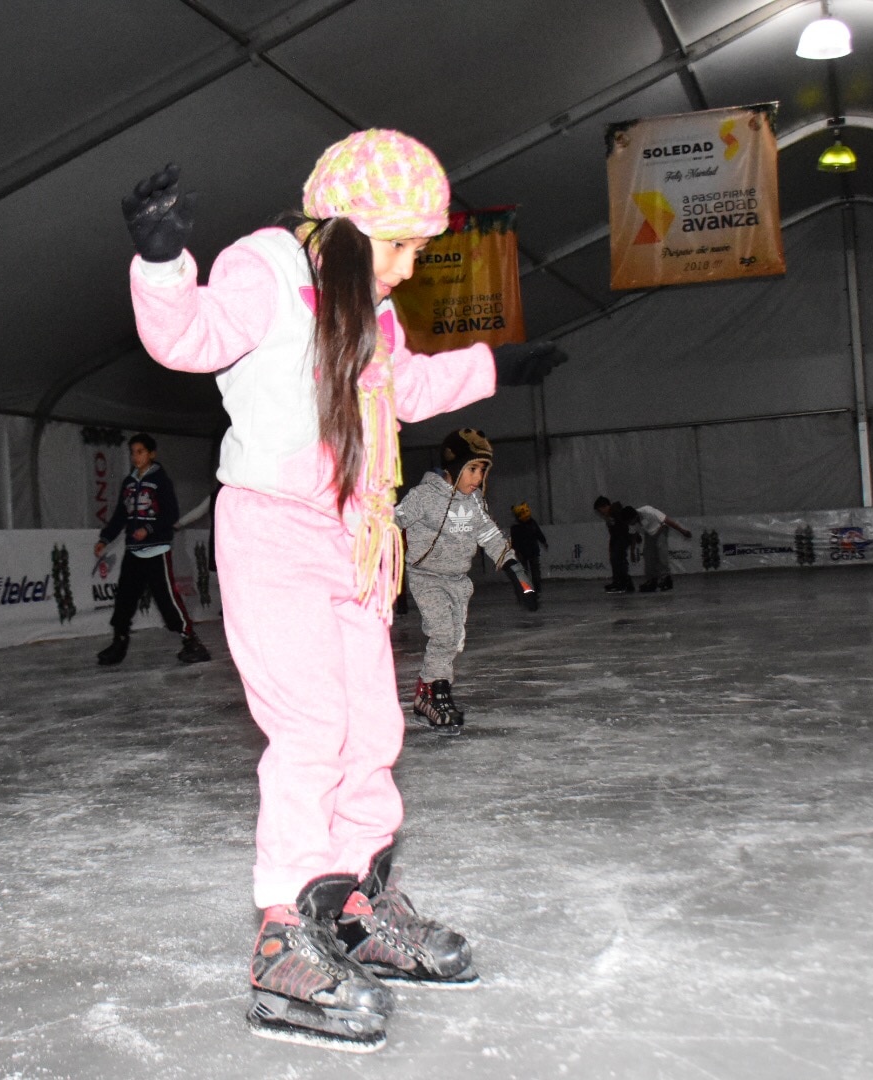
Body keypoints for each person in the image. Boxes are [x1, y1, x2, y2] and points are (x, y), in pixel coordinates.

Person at [122, 130, 565, 1052]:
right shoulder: (269, 268)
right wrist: (162, 262)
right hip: (275, 531)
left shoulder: (368, 308)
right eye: (404, 245)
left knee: (373, 728)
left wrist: (494, 365)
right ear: (357, 228)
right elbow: (190, 336)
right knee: (312, 729)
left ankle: (355, 904)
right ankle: (283, 935)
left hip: (356, 535)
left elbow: (395, 389)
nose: (411, 267)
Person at [397, 429, 534, 735]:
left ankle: (425, 692)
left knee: (453, 641)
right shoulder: (423, 497)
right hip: (427, 576)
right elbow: (394, 519)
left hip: (459, 582)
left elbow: (489, 535)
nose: (477, 476)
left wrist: (517, 573)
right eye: (472, 468)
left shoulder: (474, 502)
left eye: (482, 469)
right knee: (443, 634)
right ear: (453, 465)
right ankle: (438, 693)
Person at [93, 433, 212, 665]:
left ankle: (191, 641)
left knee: (166, 599)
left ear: (151, 454)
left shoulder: (160, 481)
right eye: (132, 452)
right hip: (133, 551)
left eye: (140, 452)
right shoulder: (129, 483)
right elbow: (120, 515)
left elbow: (170, 515)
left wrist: (148, 528)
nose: (135, 457)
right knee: (125, 599)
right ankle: (119, 641)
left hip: (156, 550)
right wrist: (105, 539)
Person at [634, 503, 693, 591]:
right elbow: (637, 530)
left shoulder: (648, 511)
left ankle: (666, 579)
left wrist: (682, 531)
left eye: (632, 521)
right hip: (650, 533)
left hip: (661, 528)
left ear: (635, 516)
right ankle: (652, 580)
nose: (632, 524)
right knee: (648, 555)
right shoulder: (633, 521)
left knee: (661, 552)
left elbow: (667, 520)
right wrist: (636, 535)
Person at [593, 496, 637, 593]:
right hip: (617, 539)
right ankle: (619, 581)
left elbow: (623, 526)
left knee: (619, 560)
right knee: (615, 560)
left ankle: (623, 583)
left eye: (600, 510)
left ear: (605, 506)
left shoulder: (616, 512)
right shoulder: (610, 515)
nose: (601, 513)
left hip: (621, 539)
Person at [509, 501, 549, 592]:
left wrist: (515, 551)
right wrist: (543, 541)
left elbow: (514, 541)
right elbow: (538, 533)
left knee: (527, 571)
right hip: (530, 550)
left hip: (525, 551)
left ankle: (529, 588)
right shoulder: (530, 522)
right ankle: (535, 588)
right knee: (533, 571)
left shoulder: (516, 526)